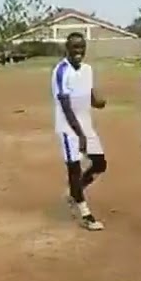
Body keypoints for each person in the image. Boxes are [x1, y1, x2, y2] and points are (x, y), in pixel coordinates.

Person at [52, 32, 108, 231]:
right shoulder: (61, 71)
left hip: (86, 124)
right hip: (68, 127)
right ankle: (85, 213)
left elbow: (89, 94)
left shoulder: (87, 70)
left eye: (81, 47)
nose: (79, 51)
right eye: (75, 47)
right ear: (67, 49)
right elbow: (66, 106)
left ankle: (75, 191)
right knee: (74, 168)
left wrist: (97, 102)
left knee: (100, 163)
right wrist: (80, 135)